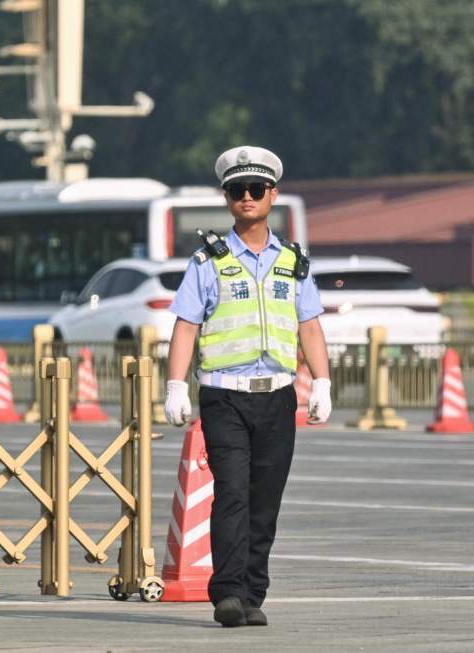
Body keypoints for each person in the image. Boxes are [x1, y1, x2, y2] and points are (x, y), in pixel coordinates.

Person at [164, 145, 331, 628]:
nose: (247, 197)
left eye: (256, 189)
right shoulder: (207, 261)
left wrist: (321, 382)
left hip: (278, 396)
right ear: (227, 197)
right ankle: (228, 593)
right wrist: (176, 385)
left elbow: (311, 326)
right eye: (237, 190)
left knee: (266, 497)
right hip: (224, 395)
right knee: (232, 493)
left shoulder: (293, 261)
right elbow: (186, 326)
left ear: (272, 195)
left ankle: (254, 591)